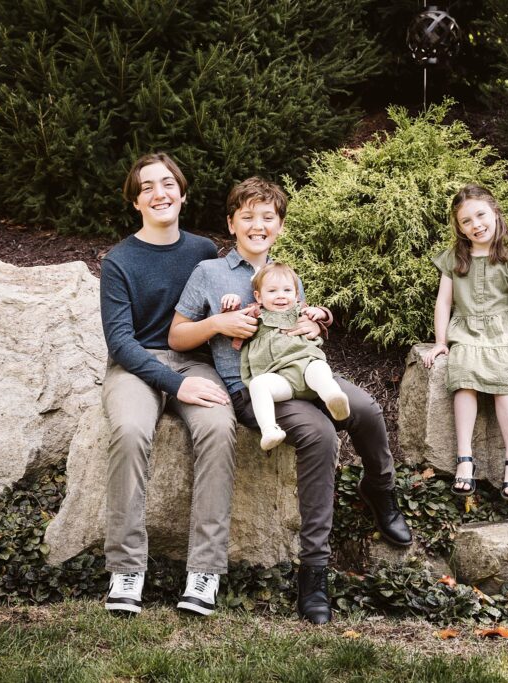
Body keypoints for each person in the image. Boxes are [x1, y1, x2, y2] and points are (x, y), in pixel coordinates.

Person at [169, 177, 412, 625]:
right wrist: (219, 323)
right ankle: (314, 572)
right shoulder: (210, 273)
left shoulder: (285, 274)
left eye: (268, 217)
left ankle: (380, 490)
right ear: (231, 223)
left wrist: (316, 323)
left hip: (303, 373)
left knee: (368, 410)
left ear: (279, 226)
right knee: (319, 436)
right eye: (248, 217)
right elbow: (177, 335)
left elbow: (300, 324)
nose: (257, 225)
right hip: (254, 387)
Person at [99, 152, 237, 618]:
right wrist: (173, 388)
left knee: (219, 428)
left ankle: (205, 572)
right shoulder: (119, 261)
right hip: (137, 366)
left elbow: (235, 295)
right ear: (136, 202)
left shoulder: (202, 250)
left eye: (167, 184)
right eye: (147, 188)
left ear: (183, 192)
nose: (159, 193)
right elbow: (120, 342)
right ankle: (126, 569)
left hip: (195, 362)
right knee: (132, 431)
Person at [421, 184, 508, 500]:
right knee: (463, 379)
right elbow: (444, 303)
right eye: (466, 221)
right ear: (459, 228)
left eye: (481, 215)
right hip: (466, 331)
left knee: (504, 383)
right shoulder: (453, 259)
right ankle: (464, 458)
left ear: (495, 213)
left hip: (502, 331)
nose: (476, 225)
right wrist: (440, 342)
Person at [219, 262, 351, 451]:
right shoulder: (255, 315)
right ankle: (270, 430)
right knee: (258, 385)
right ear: (258, 296)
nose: (281, 295)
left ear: (296, 295)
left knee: (320, 368)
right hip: (281, 380)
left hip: (307, 369)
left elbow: (326, 318)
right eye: (272, 291)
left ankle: (333, 397)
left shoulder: (300, 311)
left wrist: (320, 312)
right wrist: (230, 306)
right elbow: (232, 326)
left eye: (287, 290)